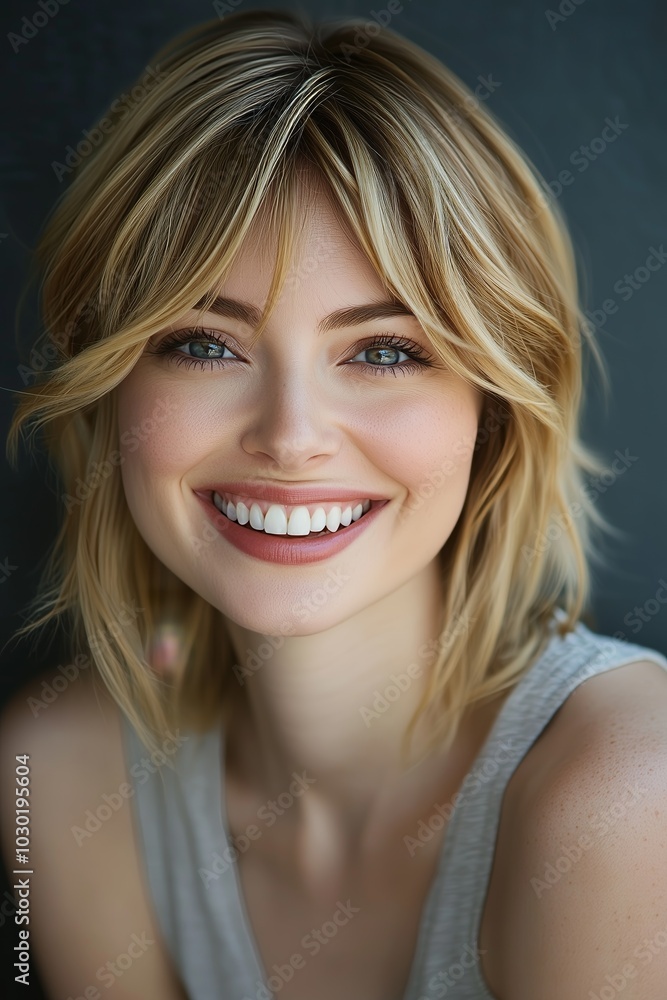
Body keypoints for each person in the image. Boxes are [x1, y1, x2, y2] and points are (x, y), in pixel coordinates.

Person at [2, 8, 666, 999]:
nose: (290, 435)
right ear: (108, 388)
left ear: (492, 411)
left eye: (386, 351)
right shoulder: (49, 778)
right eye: (204, 342)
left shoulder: (627, 797)